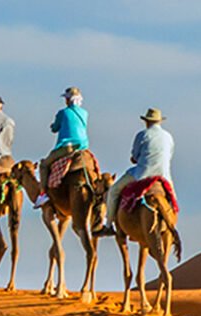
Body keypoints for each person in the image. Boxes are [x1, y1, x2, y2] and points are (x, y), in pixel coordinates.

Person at [93, 108, 174, 237]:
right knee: (172, 199)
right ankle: (172, 222)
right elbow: (169, 155)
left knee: (113, 191)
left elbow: (135, 157)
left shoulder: (143, 135)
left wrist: (137, 159)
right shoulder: (168, 137)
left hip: (142, 174)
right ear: (159, 122)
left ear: (147, 122)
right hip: (163, 175)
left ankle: (108, 225)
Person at [33, 86, 89, 208]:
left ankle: (43, 194)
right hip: (83, 147)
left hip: (67, 147)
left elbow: (55, 128)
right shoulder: (85, 113)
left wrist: (53, 126)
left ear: (69, 100)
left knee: (44, 165)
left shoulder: (63, 113)